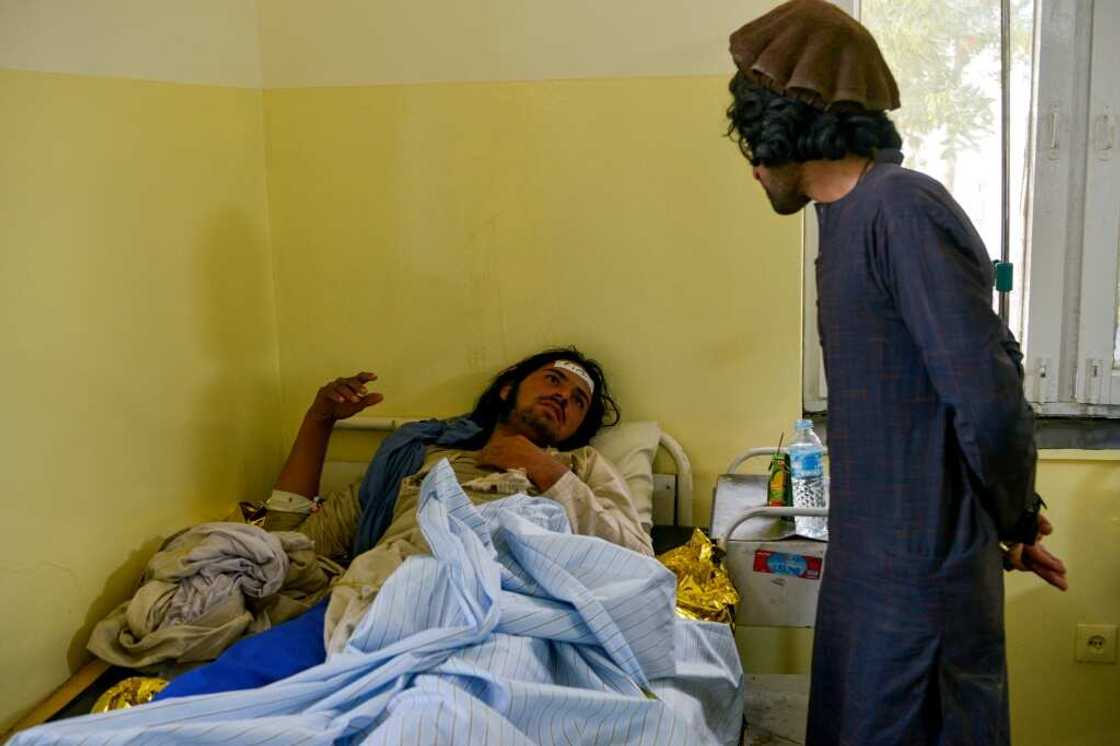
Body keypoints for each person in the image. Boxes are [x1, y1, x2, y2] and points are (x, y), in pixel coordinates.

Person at [723, 2, 1067, 744]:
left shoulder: (901, 208)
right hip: (872, 576)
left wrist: (1011, 516)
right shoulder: (843, 221)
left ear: (783, 126)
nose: (749, 160)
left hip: (921, 592)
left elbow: (988, 400)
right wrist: (1006, 517)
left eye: (753, 133)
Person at [267, 346, 653, 651]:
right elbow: (287, 542)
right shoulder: (418, 456)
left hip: (507, 613)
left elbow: (638, 564)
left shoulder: (580, 468)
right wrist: (319, 420)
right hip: (385, 593)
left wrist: (541, 467)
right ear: (508, 390)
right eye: (553, 380)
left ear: (575, 428)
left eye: (578, 400)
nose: (563, 397)